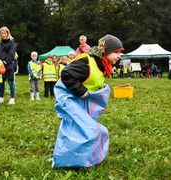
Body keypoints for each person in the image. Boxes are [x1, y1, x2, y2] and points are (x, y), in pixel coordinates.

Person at [51, 34, 124, 168]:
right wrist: (80, 90)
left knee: (75, 129)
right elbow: (66, 74)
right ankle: (72, 160)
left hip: (77, 99)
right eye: (116, 52)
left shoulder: (102, 64)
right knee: (93, 130)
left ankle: (70, 159)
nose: (119, 55)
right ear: (105, 52)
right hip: (68, 98)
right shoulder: (87, 63)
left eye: (120, 52)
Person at [0, 26, 17, 105]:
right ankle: (1, 97)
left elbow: (11, 54)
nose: (3, 35)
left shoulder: (12, 43)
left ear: (8, 33)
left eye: (5, 33)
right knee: (1, 81)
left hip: (9, 64)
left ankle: (12, 98)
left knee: (10, 82)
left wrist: (5, 62)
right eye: (2, 33)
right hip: (0, 64)